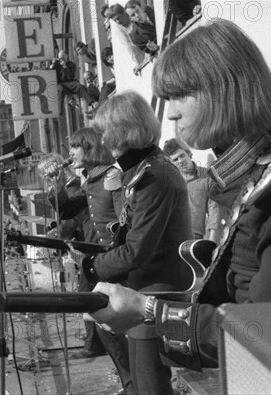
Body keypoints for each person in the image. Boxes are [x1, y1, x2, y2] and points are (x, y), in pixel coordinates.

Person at [86, 19, 271, 372]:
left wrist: (148, 310)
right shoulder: (265, 170)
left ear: (223, 89)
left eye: (180, 95)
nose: (171, 112)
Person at [82, 92, 192, 394]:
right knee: (140, 383)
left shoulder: (153, 175)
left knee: (149, 385)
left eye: (106, 132)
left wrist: (92, 266)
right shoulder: (144, 170)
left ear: (124, 132)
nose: (102, 141)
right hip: (142, 288)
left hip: (155, 291)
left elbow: (137, 251)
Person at [43, 128, 134, 393]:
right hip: (101, 258)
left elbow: (124, 220)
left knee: (112, 323)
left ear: (90, 149)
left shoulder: (111, 175)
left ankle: (134, 381)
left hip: (114, 258)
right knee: (107, 324)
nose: (70, 153)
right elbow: (68, 210)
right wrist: (57, 182)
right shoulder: (91, 180)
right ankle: (130, 381)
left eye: (75, 147)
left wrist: (113, 250)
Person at [163, 138, 227, 243]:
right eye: (175, 160)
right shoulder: (168, 182)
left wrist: (212, 243)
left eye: (181, 155)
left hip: (194, 239)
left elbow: (216, 210)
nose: (180, 161)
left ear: (189, 154)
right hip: (169, 239)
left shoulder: (207, 176)